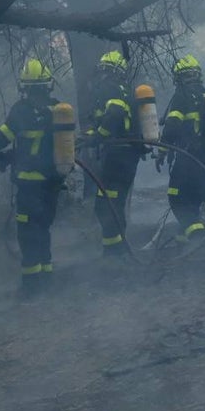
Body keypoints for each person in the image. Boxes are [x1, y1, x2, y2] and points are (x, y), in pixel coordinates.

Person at [0, 58, 63, 296]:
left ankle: (32, 286)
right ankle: (47, 277)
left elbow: (3, 136)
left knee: (27, 233)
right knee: (42, 229)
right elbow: (34, 149)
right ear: (48, 85)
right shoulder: (59, 110)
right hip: (52, 185)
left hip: (29, 186)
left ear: (25, 87)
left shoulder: (21, 111)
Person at [83, 50, 142, 258]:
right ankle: (115, 250)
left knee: (106, 205)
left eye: (103, 70)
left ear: (108, 71)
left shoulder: (109, 88)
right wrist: (91, 134)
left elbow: (114, 115)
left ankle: (115, 253)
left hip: (117, 156)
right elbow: (102, 117)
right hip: (126, 156)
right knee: (112, 203)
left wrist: (98, 136)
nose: (101, 75)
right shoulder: (125, 90)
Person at [158, 55, 205, 242]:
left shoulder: (181, 95)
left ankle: (196, 234)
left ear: (178, 77)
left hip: (187, 156)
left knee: (176, 196)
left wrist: (162, 150)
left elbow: (173, 125)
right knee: (195, 197)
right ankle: (191, 233)